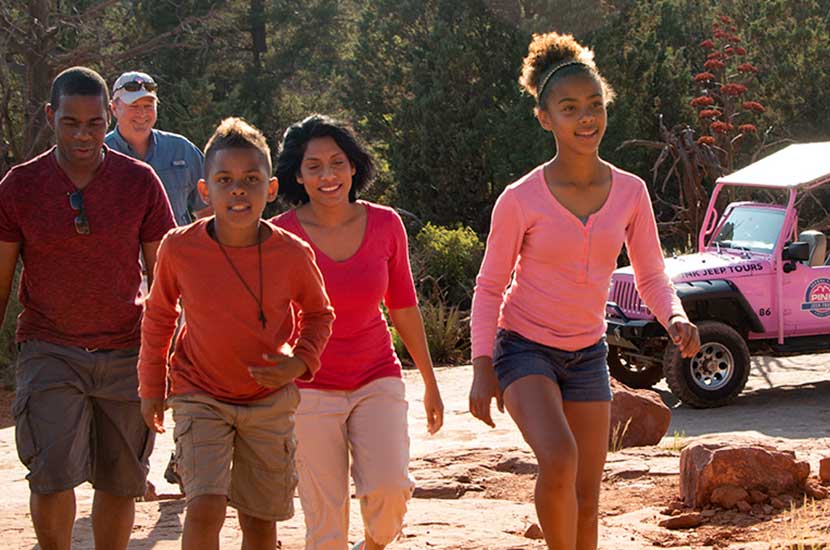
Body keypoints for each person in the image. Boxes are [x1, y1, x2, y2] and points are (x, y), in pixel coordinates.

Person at [466, 33, 702, 550]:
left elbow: (652, 276)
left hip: (587, 355)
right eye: (569, 108)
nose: (586, 118)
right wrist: (482, 367)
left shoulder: (630, 192)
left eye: (595, 105)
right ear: (544, 117)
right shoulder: (519, 200)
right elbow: (488, 289)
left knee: (588, 494)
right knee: (559, 457)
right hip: (523, 349)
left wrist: (675, 318)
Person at [0, 66, 175, 550]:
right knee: (51, 473)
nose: (83, 135)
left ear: (109, 120)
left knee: (121, 479)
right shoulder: (19, 187)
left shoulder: (139, 182)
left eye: (95, 124)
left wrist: (166, 360)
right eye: (71, 123)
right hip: (49, 348)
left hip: (125, 349)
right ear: (50, 116)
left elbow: (165, 279)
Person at [138, 117, 335, 550]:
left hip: (268, 403)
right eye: (225, 179)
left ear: (271, 187)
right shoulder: (179, 247)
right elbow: (158, 318)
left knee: (260, 521)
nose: (238, 189)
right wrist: (152, 386)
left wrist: (299, 361)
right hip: (199, 394)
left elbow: (320, 314)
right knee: (205, 506)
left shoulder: (292, 252)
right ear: (205, 190)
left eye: (251, 179)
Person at [271, 114, 445, 550]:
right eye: (314, 166)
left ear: (354, 167)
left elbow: (403, 306)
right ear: (297, 174)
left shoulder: (386, 224)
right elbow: (269, 322)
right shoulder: (279, 236)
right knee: (325, 526)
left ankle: (373, 544)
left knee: (389, 493)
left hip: (376, 377)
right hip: (309, 388)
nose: (328, 175)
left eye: (337, 162)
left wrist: (429, 382)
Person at [107, 71, 210, 224]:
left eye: (148, 106)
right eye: (134, 106)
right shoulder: (99, 154)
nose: (142, 113)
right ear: (114, 108)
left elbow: (208, 209)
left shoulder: (181, 149)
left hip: (176, 247)